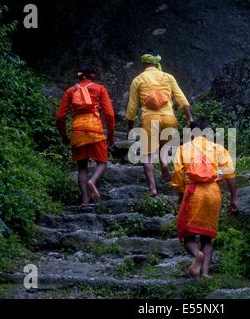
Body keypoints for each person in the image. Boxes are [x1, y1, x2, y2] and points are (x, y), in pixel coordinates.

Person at [172, 120, 238, 279]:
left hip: (194, 193)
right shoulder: (218, 148)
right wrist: (234, 198)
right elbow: (229, 174)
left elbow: (178, 175)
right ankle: (205, 273)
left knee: (187, 235)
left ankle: (197, 255)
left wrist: (181, 195)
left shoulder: (183, 149)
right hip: (213, 192)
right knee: (207, 236)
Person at [126, 50, 194, 196]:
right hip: (169, 118)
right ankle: (164, 164)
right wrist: (190, 118)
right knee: (164, 146)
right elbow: (181, 98)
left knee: (147, 155)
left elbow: (132, 108)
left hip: (150, 118)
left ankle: (152, 188)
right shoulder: (168, 77)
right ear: (157, 63)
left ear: (144, 63)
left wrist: (130, 129)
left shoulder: (138, 79)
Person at [56, 65, 115, 208]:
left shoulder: (70, 91)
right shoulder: (100, 89)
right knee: (102, 162)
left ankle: (85, 200)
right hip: (95, 130)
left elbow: (60, 116)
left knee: (82, 167)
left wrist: (64, 135)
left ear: (79, 76)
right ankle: (92, 182)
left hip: (78, 131)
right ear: (92, 76)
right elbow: (109, 114)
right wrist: (111, 135)